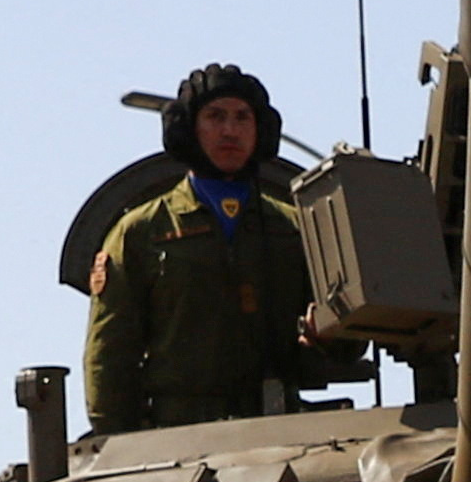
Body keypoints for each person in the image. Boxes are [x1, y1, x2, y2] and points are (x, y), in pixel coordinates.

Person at [80, 61, 314, 432]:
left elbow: (340, 346)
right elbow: (110, 355)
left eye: (242, 118)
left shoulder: (295, 228)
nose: (229, 130)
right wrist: (119, 443)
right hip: (179, 434)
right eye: (215, 116)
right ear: (189, 127)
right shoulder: (141, 231)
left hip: (280, 425)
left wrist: (326, 335)